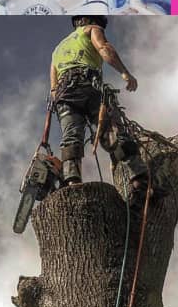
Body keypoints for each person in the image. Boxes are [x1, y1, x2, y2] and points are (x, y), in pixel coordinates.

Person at [50, 15, 151, 199]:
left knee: (71, 138)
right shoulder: (90, 30)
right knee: (113, 132)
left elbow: (53, 89)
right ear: (88, 20)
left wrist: (60, 105)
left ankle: (73, 184)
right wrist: (125, 73)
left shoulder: (57, 50)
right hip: (88, 86)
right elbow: (104, 48)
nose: (99, 26)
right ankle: (140, 180)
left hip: (64, 96)